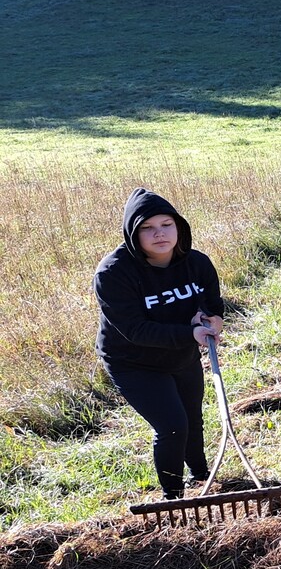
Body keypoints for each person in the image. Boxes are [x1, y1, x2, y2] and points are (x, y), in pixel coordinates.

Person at [94, 189, 225, 501]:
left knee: (192, 417)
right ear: (132, 233)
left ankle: (202, 476)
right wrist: (188, 334)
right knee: (173, 426)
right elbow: (134, 329)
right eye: (147, 228)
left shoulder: (197, 263)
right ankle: (173, 498)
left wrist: (214, 320)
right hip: (133, 360)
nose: (159, 234)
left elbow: (211, 304)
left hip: (181, 354)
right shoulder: (113, 273)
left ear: (179, 226)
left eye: (166, 224)